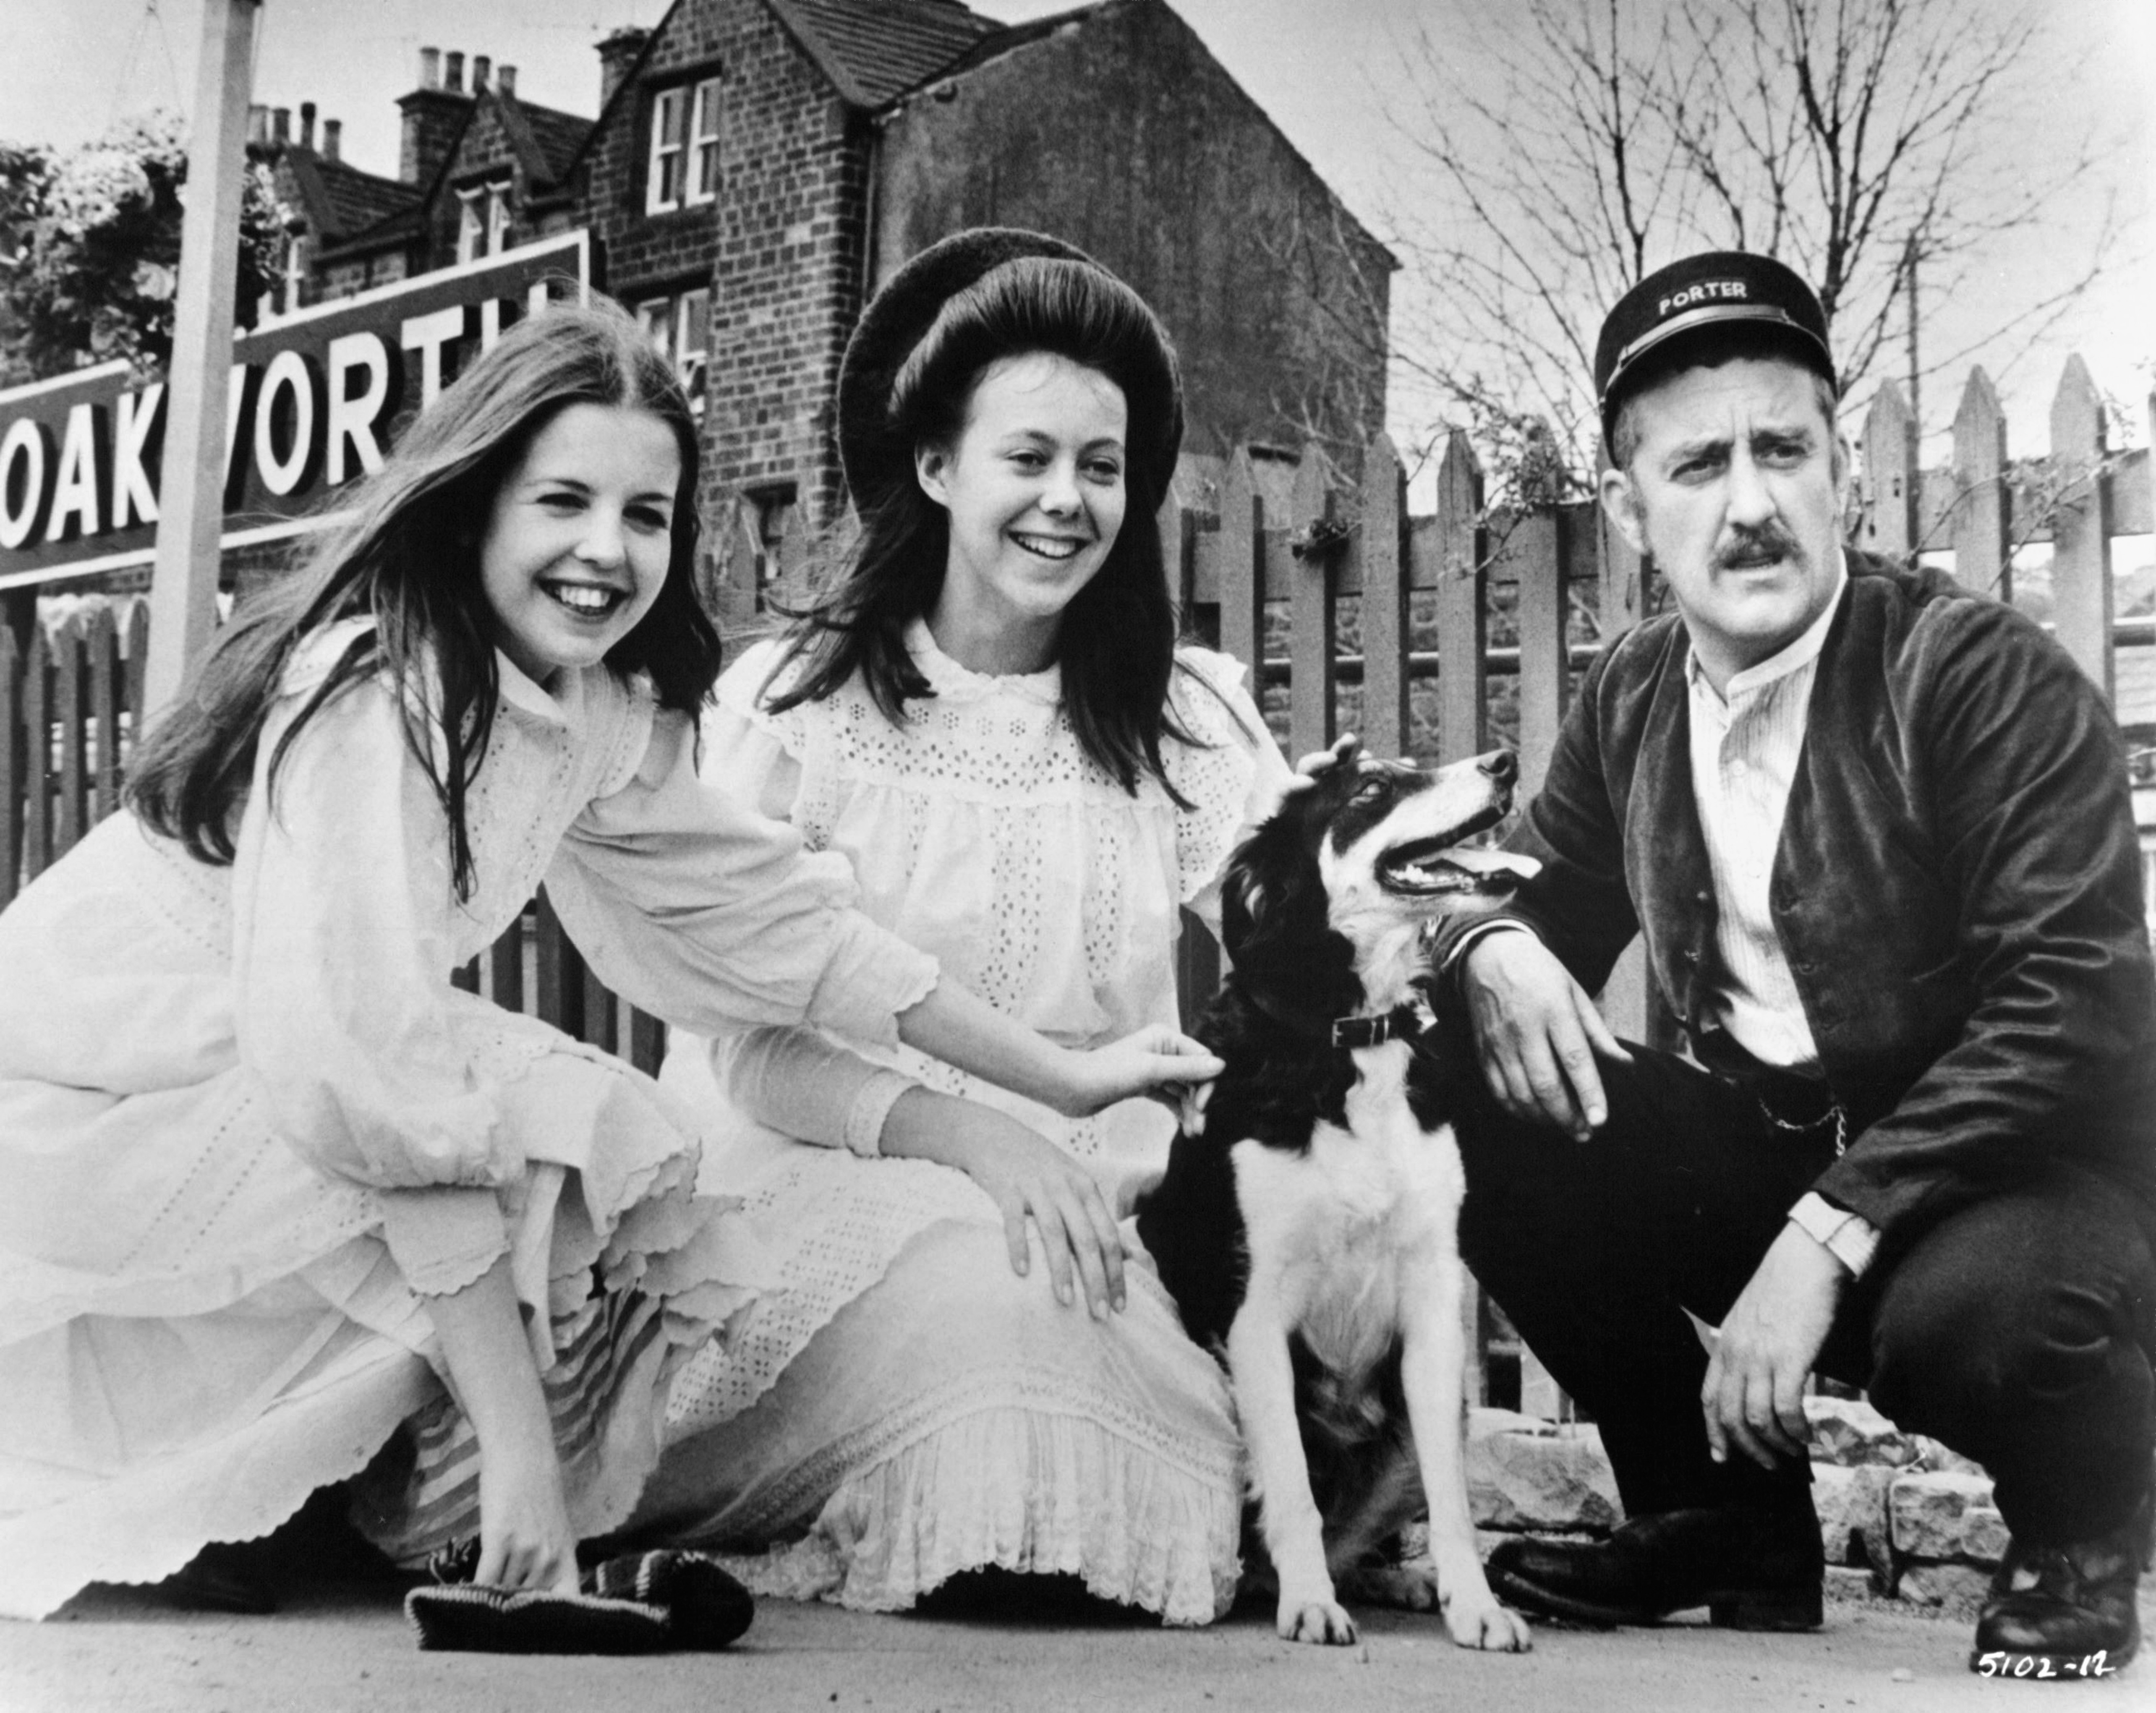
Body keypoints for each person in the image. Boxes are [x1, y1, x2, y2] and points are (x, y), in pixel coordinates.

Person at [0, 299, 1219, 1624]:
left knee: (520, 1123)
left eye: (646, 516)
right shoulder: (375, 694)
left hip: (273, 1060)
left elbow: (781, 931)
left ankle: (296, 1508)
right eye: (563, 501)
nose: (604, 550)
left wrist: (1060, 1071)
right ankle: (333, 1506)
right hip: (95, 1070)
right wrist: (525, 1459)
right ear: (474, 505)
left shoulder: (586, 714)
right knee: (515, 1127)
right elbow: (364, 1080)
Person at [1434, 250, 2156, 1673]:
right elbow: (1512, 887)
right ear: (1633, 513)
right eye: (1697, 464)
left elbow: (2072, 999)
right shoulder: (1632, 694)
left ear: (1846, 477)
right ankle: (1722, 1518)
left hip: (2018, 1179)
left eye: (1783, 448)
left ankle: (2079, 1527)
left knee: (1970, 1329)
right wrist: (1489, 940)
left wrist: (1828, 1233)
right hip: (1766, 1153)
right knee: (1455, 1074)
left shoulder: (1973, 673)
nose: (1749, 503)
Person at [629, 229, 1291, 1627]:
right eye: (1028, 458)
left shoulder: (1184, 718)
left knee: (1121, 1426)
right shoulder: (797, 710)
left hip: (1080, 1201)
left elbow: (1304, 932)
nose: (1067, 502)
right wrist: (974, 1138)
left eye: (1100, 468)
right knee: (987, 1304)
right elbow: (742, 1045)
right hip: (820, 1159)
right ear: (937, 468)